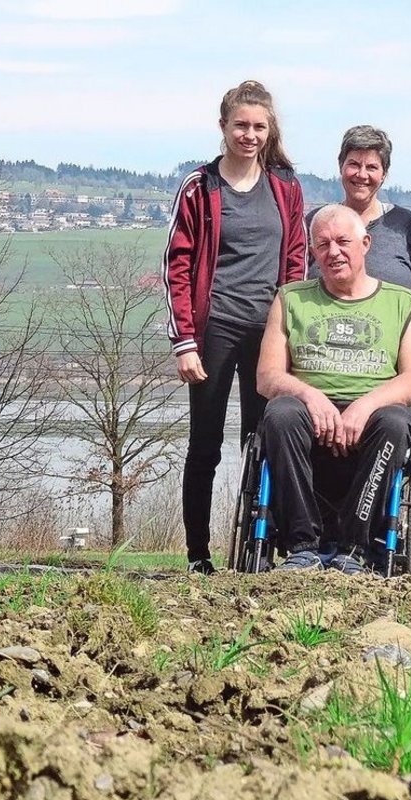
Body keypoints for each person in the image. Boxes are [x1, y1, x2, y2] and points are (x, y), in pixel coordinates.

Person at [162, 80, 307, 575]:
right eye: (240, 125)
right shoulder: (200, 187)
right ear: (223, 127)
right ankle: (198, 554)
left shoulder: (285, 186)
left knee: (263, 439)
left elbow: (294, 261)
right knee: (205, 444)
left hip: (267, 332)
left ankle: (260, 548)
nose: (249, 135)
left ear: (270, 131)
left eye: (258, 127)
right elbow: (177, 266)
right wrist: (184, 341)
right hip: (215, 329)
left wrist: (289, 330)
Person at [256, 204, 411, 574]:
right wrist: (309, 395)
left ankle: (354, 549)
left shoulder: (405, 304)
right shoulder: (290, 299)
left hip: (374, 410)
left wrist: (364, 406)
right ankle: (302, 547)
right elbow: (267, 376)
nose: (333, 252)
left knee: (396, 422)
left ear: (366, 243)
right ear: (313, 253)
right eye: (323, 244)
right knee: (280, 414)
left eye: (343, 242)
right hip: (308, 409)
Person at [306, 125, 411, 290]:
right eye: (354, 164)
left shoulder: (404, 224)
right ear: (341, 166)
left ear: (384, 174)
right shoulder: (317, 222)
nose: (362, 175)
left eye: (372, 167)